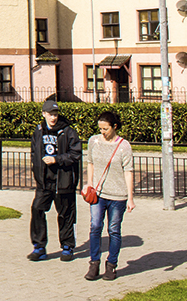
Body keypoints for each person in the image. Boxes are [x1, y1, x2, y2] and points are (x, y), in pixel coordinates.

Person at [28, 99, 82, 262]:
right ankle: (39, 247)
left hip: (63, 182)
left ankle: (67, 247)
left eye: (56, 114)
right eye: (51, 114)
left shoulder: (68, 132)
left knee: (65, 214)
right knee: (37, 209)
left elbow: (76, 154)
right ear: (44, 114)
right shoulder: (38, 131)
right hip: (44, 182)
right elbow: (33, 152)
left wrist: (57, 159)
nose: (53, 117)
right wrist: (37, 171)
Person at [83, 110, 134, 282]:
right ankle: (94, 263)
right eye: (100, 128)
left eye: (105, 129)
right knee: (95, 227)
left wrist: (131, 198)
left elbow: (128, 172)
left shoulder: (124, 146)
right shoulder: (94, 141)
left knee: (113, 230)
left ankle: (111, 265)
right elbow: (90, 162)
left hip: (118, 196)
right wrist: (89, 184)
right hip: (98, 194)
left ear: (115, 127)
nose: (102, 132)